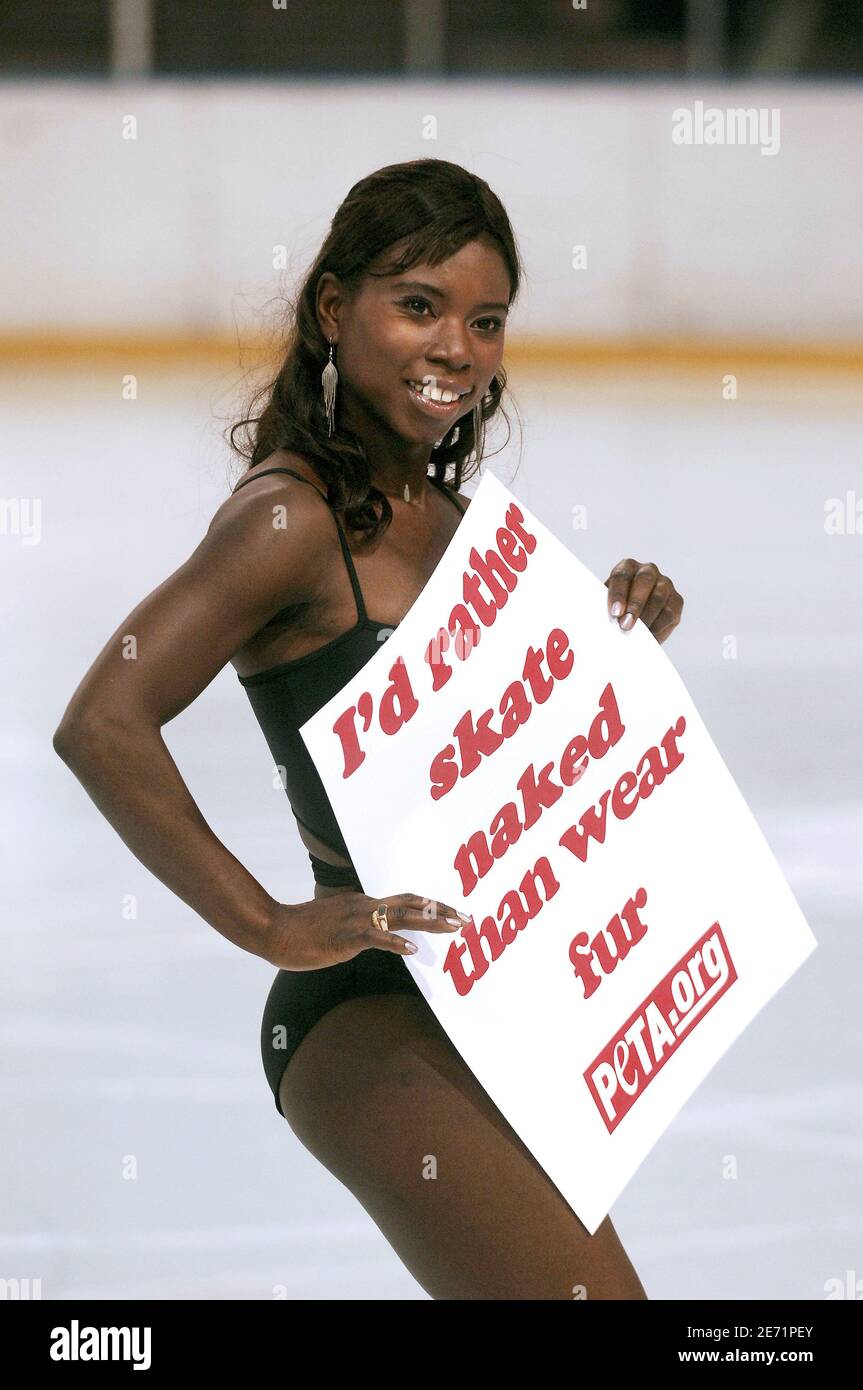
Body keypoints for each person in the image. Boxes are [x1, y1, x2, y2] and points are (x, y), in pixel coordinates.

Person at [53, 158, 682, 1300]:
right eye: (419, 306)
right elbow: (103, 721)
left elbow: (523, 765)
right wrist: (268, 924)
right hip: (366, 1010)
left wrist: (626, 633)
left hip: (496, 1007)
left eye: (484, 321)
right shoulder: (289, 521)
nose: (456, 347)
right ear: (335, 311)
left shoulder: (463, 525)